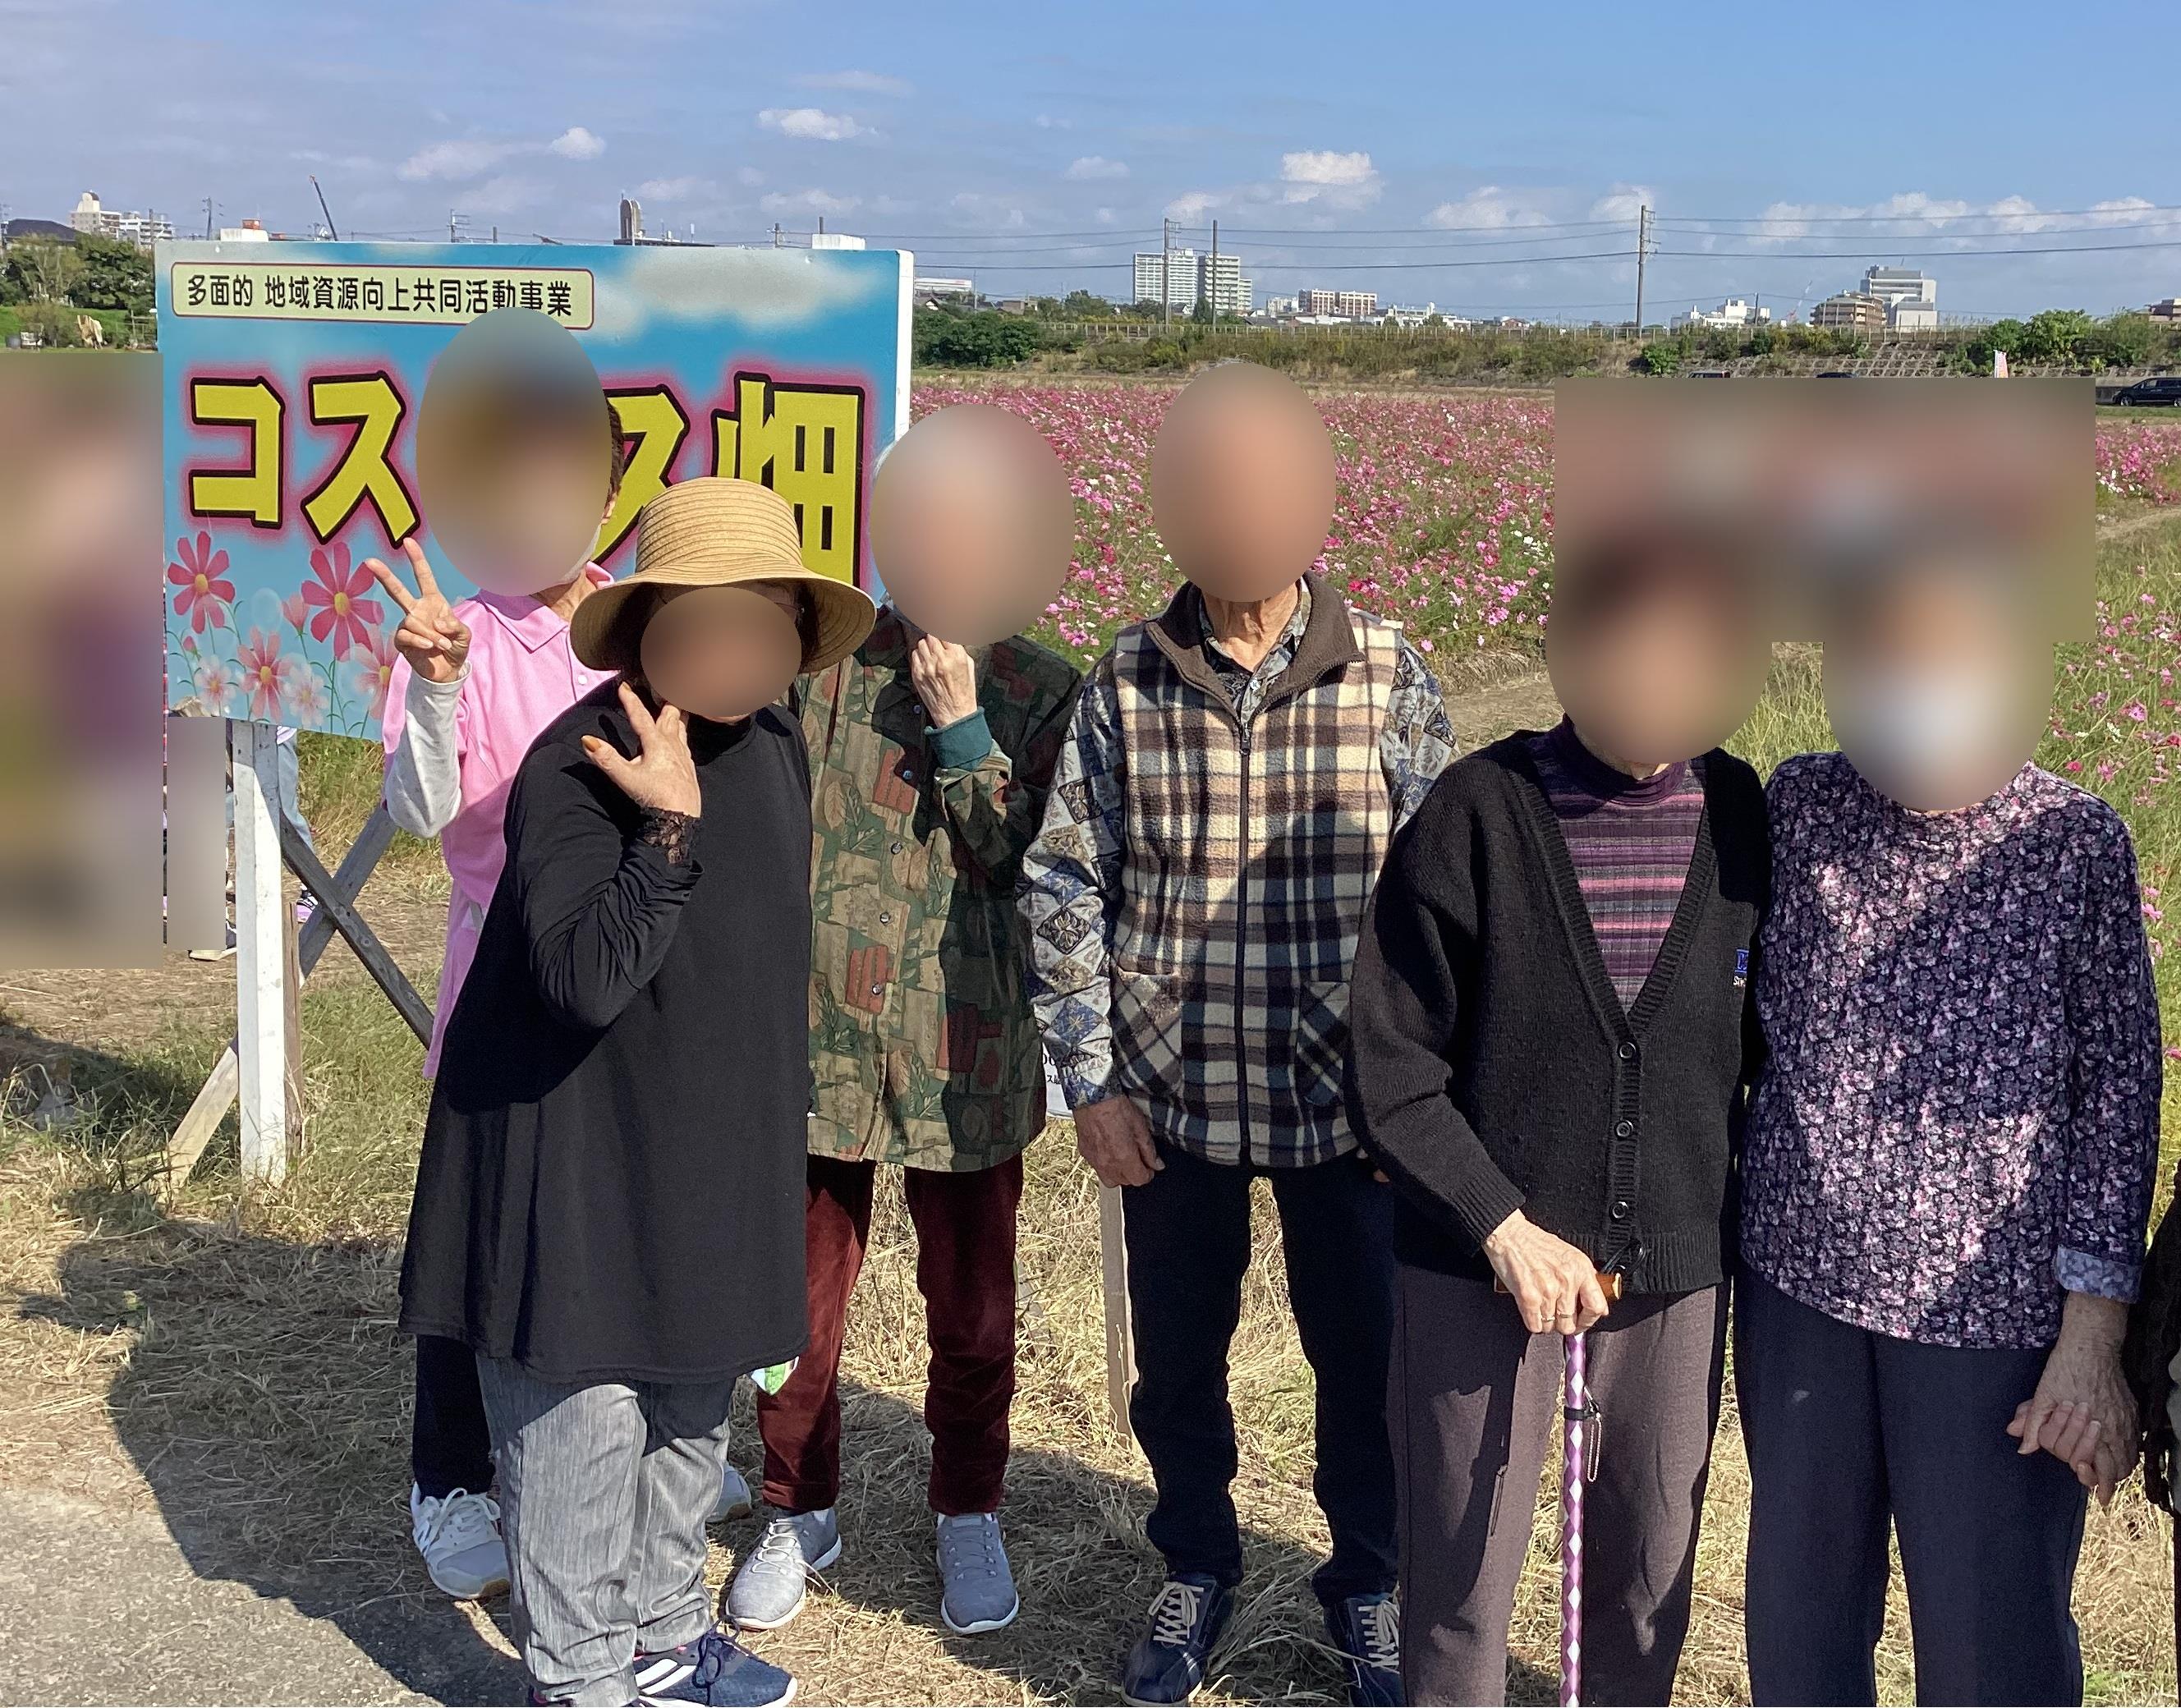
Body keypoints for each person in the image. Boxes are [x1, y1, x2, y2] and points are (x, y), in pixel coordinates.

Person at [397, 476, 875, 1708]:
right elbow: (581, 981)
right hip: (571, 1147)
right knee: (584, 1426)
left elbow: (760, 961)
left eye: (762, 623)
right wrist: (666, 830)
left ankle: (665, 1632)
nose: (734, 649)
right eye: (702, 623)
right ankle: (577, 1675)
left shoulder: (773, 745)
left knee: (689, 1409)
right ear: (647, 630)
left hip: (709, 1139)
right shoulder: (582, 761)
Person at [1020, 362, 1455, 1708]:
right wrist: (1089, 1082)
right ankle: (1195, 1563)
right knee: (1178, 1365)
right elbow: (1064, 879)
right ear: (1166, 509)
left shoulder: (1388, 673)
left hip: (1349, 1111)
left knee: (1364, 1365)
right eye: (1208, 488)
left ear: (1319, 503)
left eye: (1267, 487)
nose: (1238, 514)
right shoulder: (1125, 679)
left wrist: (1419, 1099)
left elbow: (1444, 900)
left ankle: (1370, 1582)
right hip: (1173, 1097)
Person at [1343, 535, 1771, 1706]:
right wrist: (1502, 1225)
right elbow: (1389, 1065)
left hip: (1673, 1273)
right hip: (1478, 1269)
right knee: (1460, 1579)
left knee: (1647, 1577)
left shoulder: (1742, 813)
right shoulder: (1476, 812)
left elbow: (1760, 1048)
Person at [1736, 558, 2163, 1707]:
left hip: (1992, 1321)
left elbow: (2119, 1095)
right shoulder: (1797, 806)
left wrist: (2091, 1338)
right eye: (1883, 656)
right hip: (1798, 1289)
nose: (1914, 687)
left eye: (1950, 658)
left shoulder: (2072, 842)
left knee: (1992, 1642)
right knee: (1799, 1617)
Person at [368, 405, 765, 1603]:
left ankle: (638, 1449)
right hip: (509, 982)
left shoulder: (642, 626)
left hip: (644, 981)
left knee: (629, 1208)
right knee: (481, 1233)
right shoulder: (459, 633)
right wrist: (436, 688)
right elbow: (421, 812)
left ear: (605, 499)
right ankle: (451, 1482)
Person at [724, 603, 1081, 1637]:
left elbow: (1037, 868)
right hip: (814, 1042)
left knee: (973, 1311)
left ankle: (968, 1506)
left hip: (965, 1054)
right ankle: (797, 1507)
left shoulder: (1043, 687)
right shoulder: (817, 668)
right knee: (793, 1304)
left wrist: (965, 728)